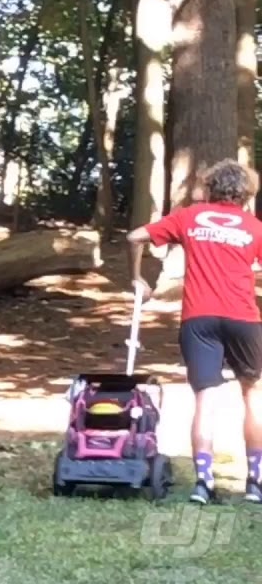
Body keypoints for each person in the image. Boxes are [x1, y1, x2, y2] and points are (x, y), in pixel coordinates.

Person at [127, 158, 262, 505]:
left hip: (198, 318)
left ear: (209, 188)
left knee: (206, 399)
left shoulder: (189, 217)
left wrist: (137, 277)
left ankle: (203, 483)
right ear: (245, 193)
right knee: (253, 395)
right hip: (243, 318)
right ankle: (255, 483)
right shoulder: (254, 227)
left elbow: (135, 236)